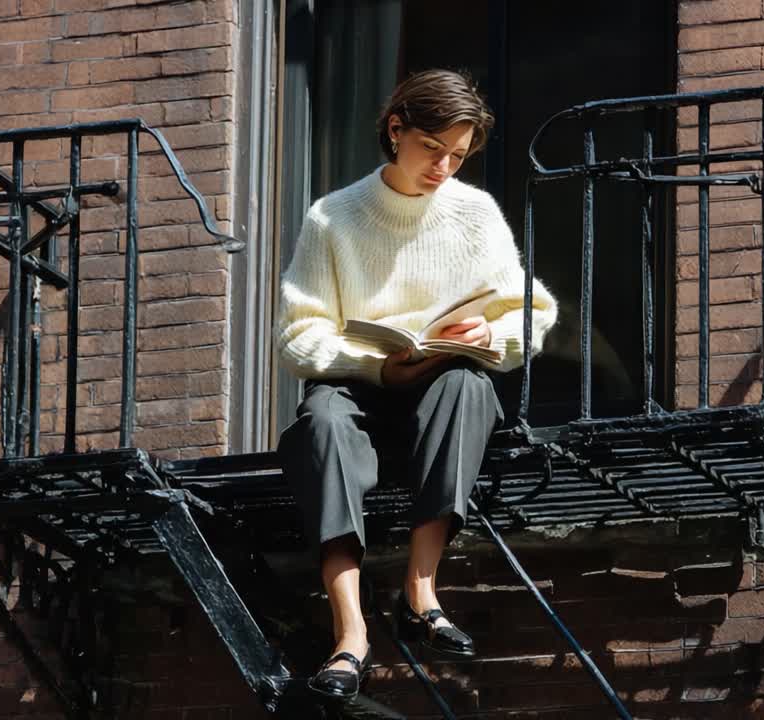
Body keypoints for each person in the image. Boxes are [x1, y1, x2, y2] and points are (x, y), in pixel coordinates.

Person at [274, 69, 557, 702]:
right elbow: (297, 337)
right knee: (320, 422)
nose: (444, 167)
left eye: (458, 155)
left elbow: (531, 311)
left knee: (466, 383)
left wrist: (492, 339)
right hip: (357, 388)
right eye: (433, 148)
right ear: (396, 129)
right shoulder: (333, 219)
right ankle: (350, 634)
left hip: (441, 384)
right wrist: (378, 366)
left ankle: (421, 591)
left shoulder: (474, 213)